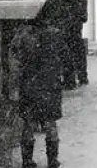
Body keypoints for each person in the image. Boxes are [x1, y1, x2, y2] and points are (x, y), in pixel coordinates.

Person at [13, 23, 66, 168]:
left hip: (29, 85)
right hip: (50, 85)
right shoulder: (56, 35)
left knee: (29, 124)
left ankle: (27, 160)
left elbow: (15, 55)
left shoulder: (23, 35)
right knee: (50, 123)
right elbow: (66, 57)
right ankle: (52, 160)